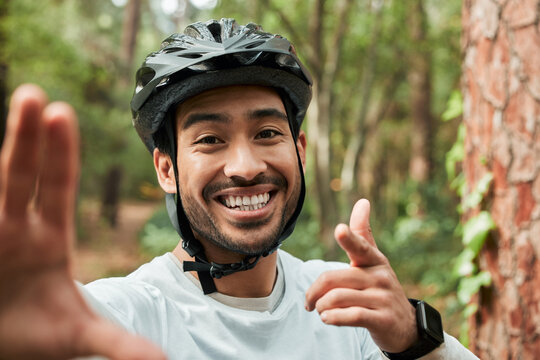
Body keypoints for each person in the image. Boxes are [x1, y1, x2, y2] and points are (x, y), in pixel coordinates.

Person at [0, 19, 479, 360]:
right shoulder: (125, 314)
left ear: (301, 150)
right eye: (210, 140)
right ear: (166, 169)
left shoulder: (347, 307)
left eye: (268, 133)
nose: (246, 167)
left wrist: (417, 342)